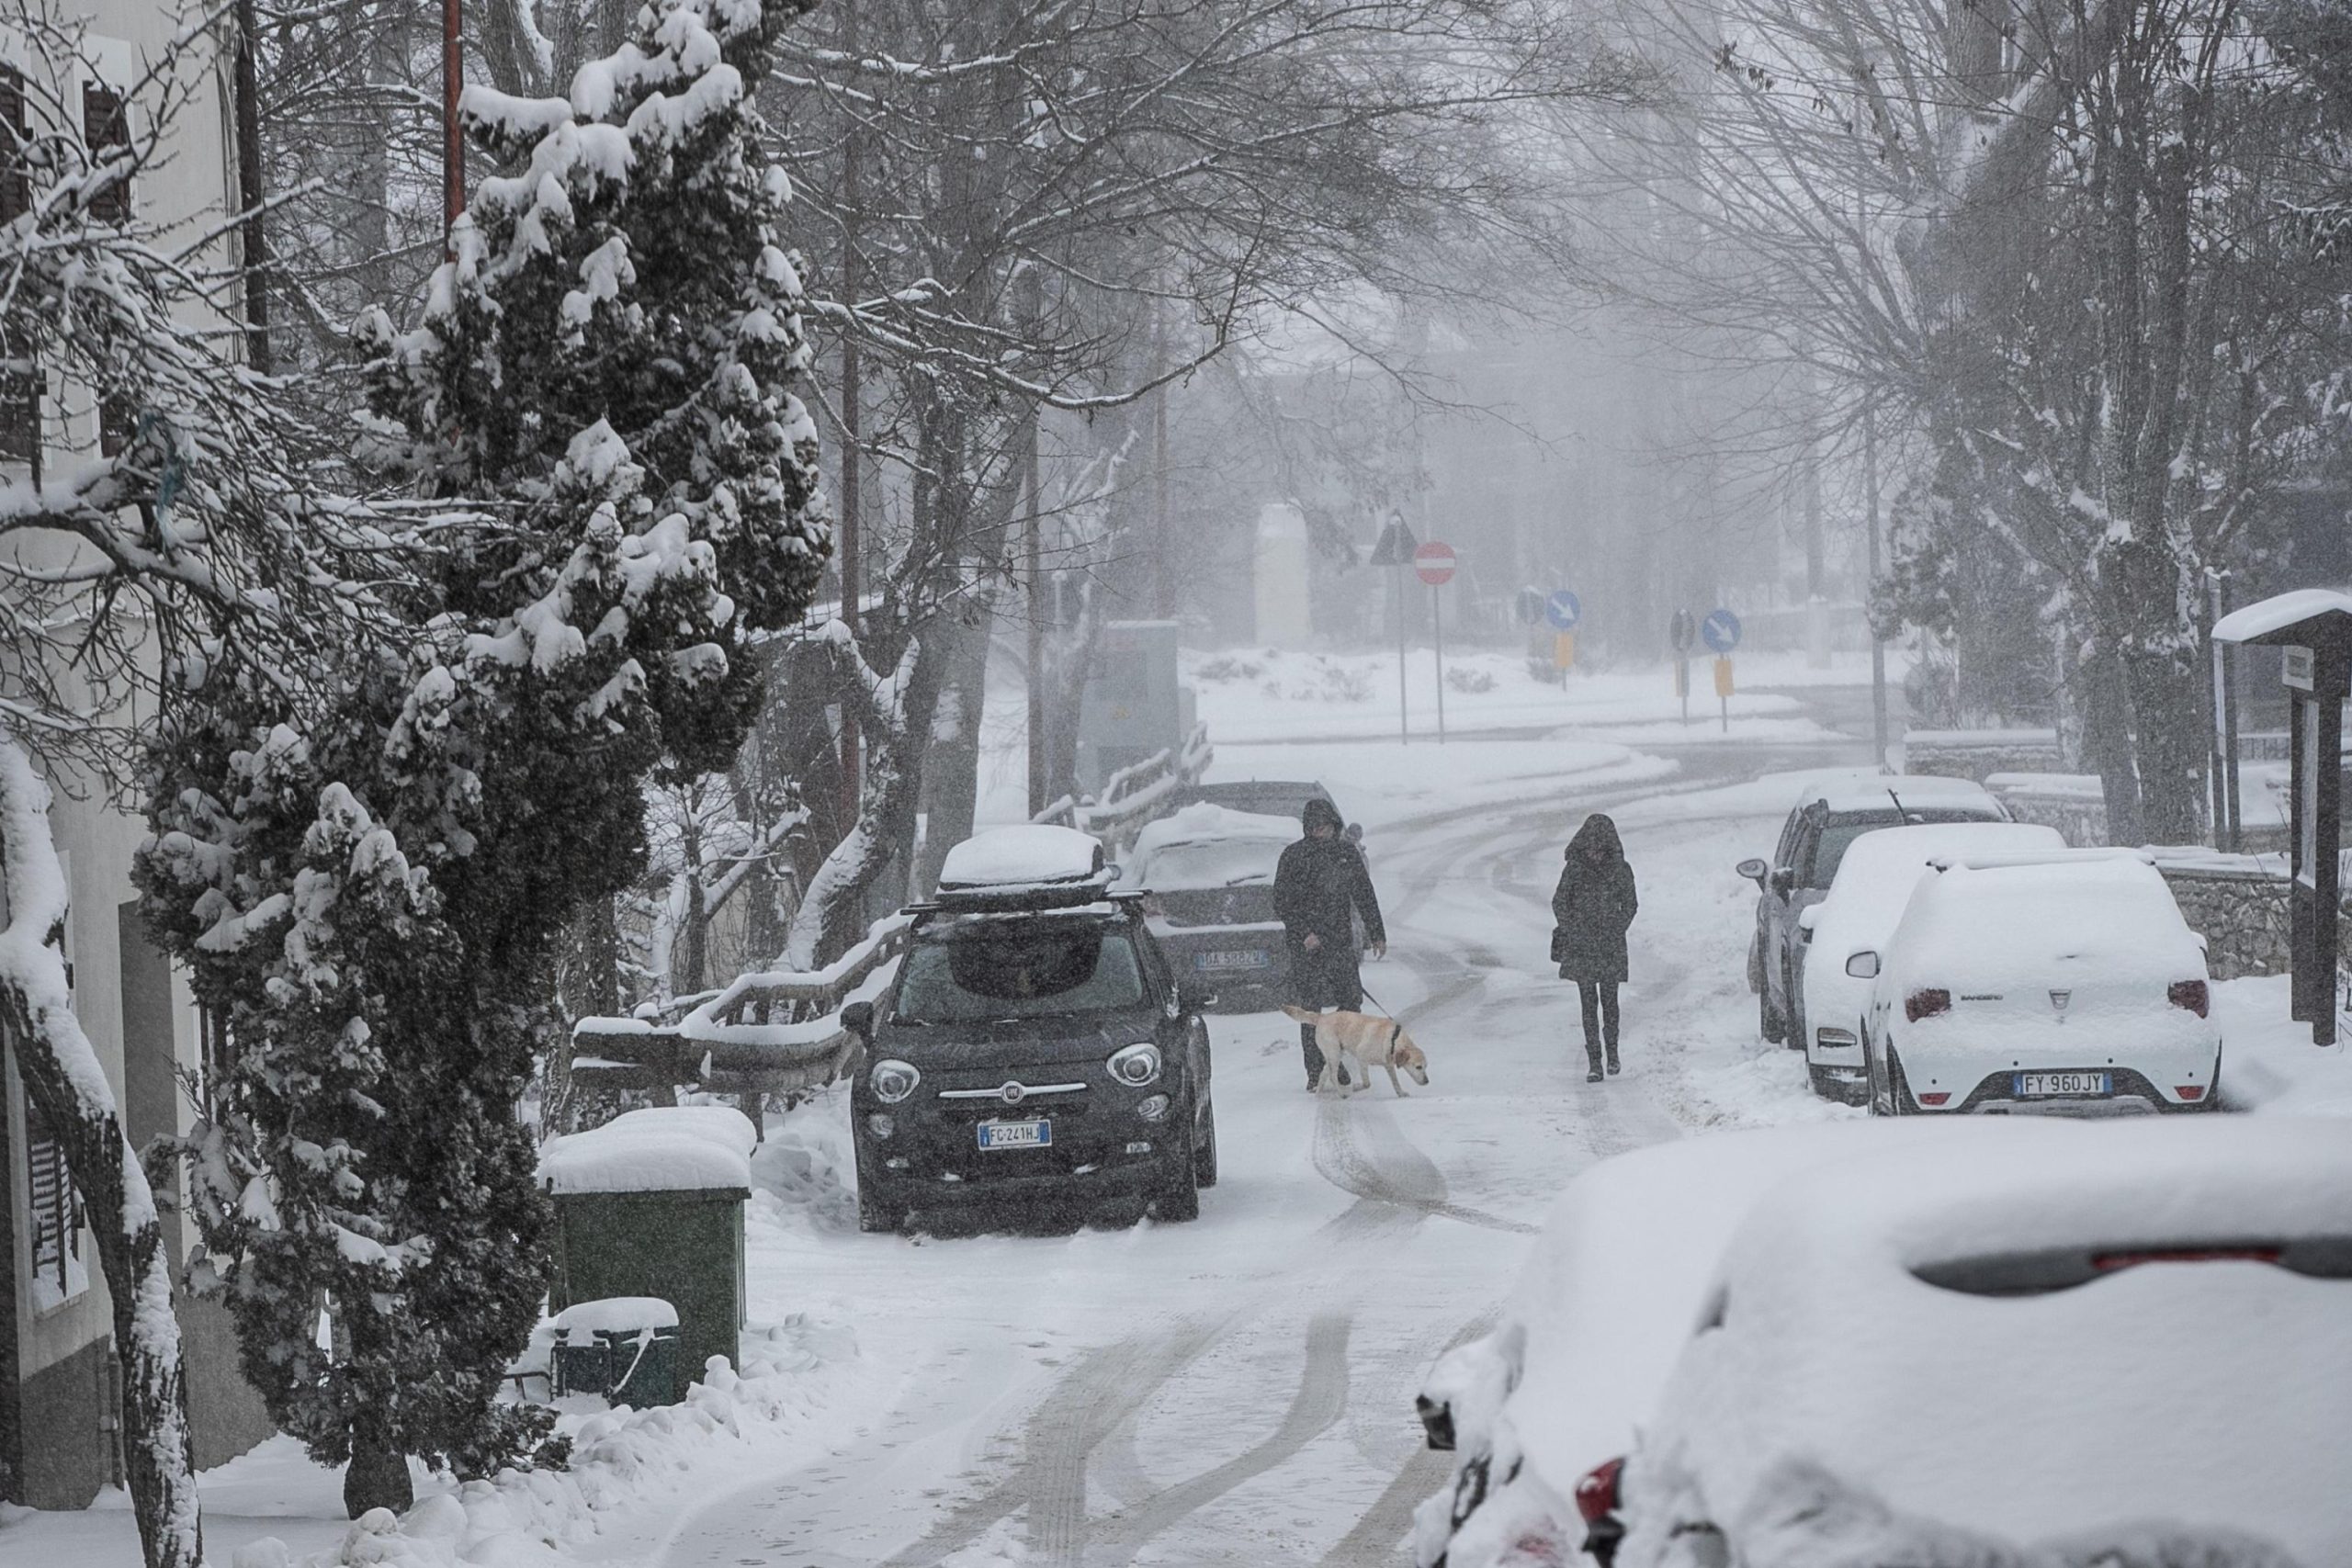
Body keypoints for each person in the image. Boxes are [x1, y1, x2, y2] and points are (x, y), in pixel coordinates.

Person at [1273, 797, 1387, 1090]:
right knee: (1311, 1010)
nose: (1319, 832)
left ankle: (1337, 1064)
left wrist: (1377, 932)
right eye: (1314, 828)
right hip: (1307, 947)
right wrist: (1304, 933)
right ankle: (1317, 1070)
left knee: (1350, 1003)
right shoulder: (1293, 856)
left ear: (1334, 825)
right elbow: (1282, 903)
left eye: (1324, 827)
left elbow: (1364, 894)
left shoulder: (1346, 854)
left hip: (1339, 943)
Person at [1551, 813, 1637, 1083]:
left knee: (1610, 1003)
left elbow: (1631, 904)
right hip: (1583, 946)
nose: (1595, 853)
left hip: (1609, 944)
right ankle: (1595, 1062)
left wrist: (1616, 927)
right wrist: (1574, 929)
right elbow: (1559, 903)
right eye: (1591, 847)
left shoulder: (1621, 869)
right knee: (1589, 1005)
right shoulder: (1574, 870)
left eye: (1600, 848)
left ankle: (1612, 1055)